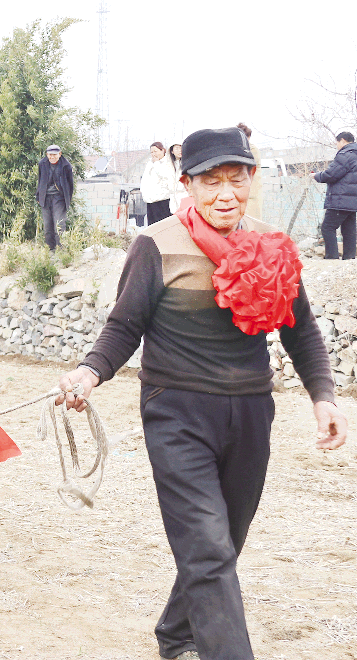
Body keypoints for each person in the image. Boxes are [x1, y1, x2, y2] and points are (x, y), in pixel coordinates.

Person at [57, 127, 347, 660]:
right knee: (210, 550)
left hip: (253, 413)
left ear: (251, 180)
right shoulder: (156, 244)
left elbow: (299, 327)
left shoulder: (270, 244)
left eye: (236, 180)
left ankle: (176, 633)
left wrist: (322, 394)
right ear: (187, 184)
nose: (225, 194)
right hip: (177, 413)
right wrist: (88, 373)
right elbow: (124, 327)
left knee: (223, 542)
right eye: (211, 181)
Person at [311, 131, 357, 260]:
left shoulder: (345, 154)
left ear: (342, 140)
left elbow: (331, 174)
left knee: (327, 228)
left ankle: (332, 257)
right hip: (353, 201)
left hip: (340, 199)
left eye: (337, 142)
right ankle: (349, 258)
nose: (337, 145)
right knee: (349, 230)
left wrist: (316, 176)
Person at [35, 145, 74, 251]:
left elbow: (70, 185)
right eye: (50, 155)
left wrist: (67, 200)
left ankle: (61, 251)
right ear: (47, 155)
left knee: (59, 225)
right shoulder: (42, 164)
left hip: (59, 198)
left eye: (54, 155)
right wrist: (38, 196)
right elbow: (40, 180)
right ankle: (50, 251)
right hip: (45, 198)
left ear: (59, 154)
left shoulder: (66, 166)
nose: (52, 157)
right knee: (48, 226)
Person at [141, 142, 176, 225]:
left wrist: (156, 163)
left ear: (162, 150)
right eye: (151, 152)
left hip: (163, 199)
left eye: (155, 151)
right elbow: (145, 179)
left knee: (163, 225)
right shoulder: (150, 163)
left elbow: (164, 176)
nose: (153, 154)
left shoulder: (168, 162)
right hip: (151, 200)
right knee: (152, 225)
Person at [237, 123, 263, 219]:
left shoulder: (251, 149)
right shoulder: (244, 148)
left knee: (251, 222)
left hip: (251, 193)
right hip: (244, 193)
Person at [167, 144, 189, 214]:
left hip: (185, 196)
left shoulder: (187, 163)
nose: (180, 151)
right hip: (174, 198)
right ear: (172, 151)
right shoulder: (169, 165)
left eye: (181, 148)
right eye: (177, 148)